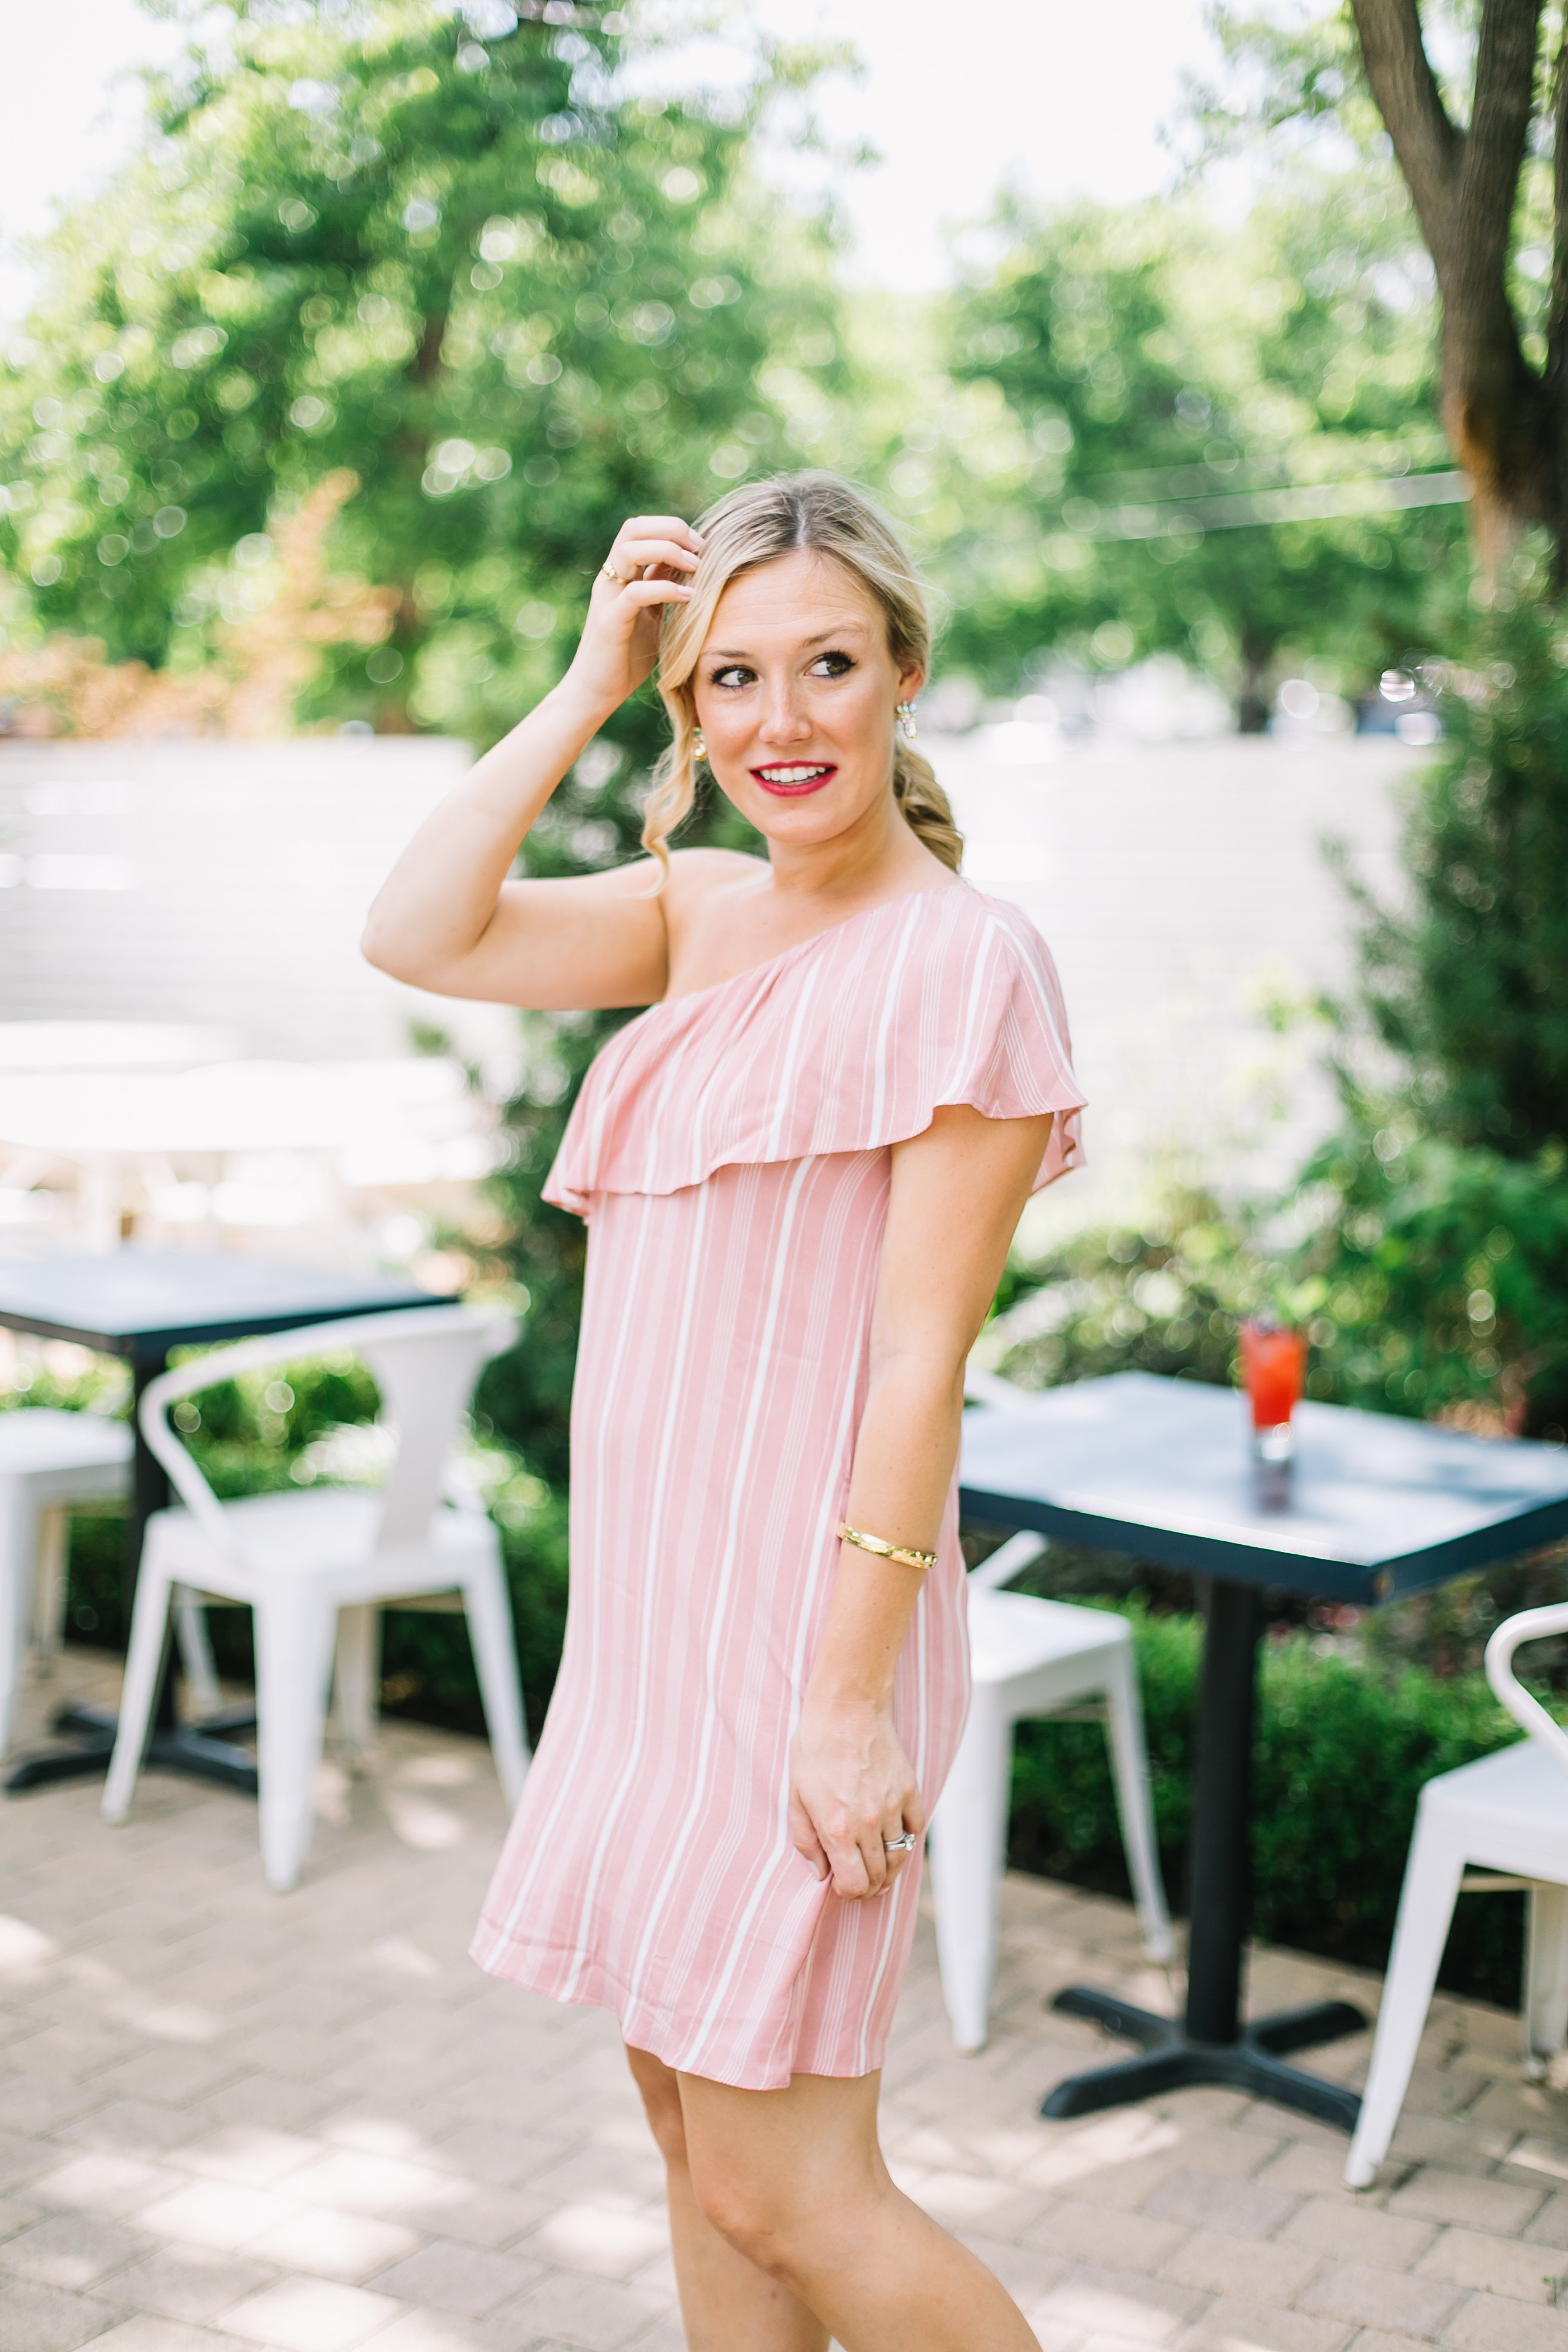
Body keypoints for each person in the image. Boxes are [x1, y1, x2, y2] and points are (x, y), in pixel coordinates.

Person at [363, 471, 1085, 2351]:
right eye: (733, 679)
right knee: (694, 2146)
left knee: (794, 2189)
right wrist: (598, 674)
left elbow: (918, 1365)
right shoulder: (692, 917)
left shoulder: (969, 965)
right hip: (653, 1640)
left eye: (827, 664)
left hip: (804, 1650)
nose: (781, 721)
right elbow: (417, 928)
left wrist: (846, 1706)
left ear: (903, 671)